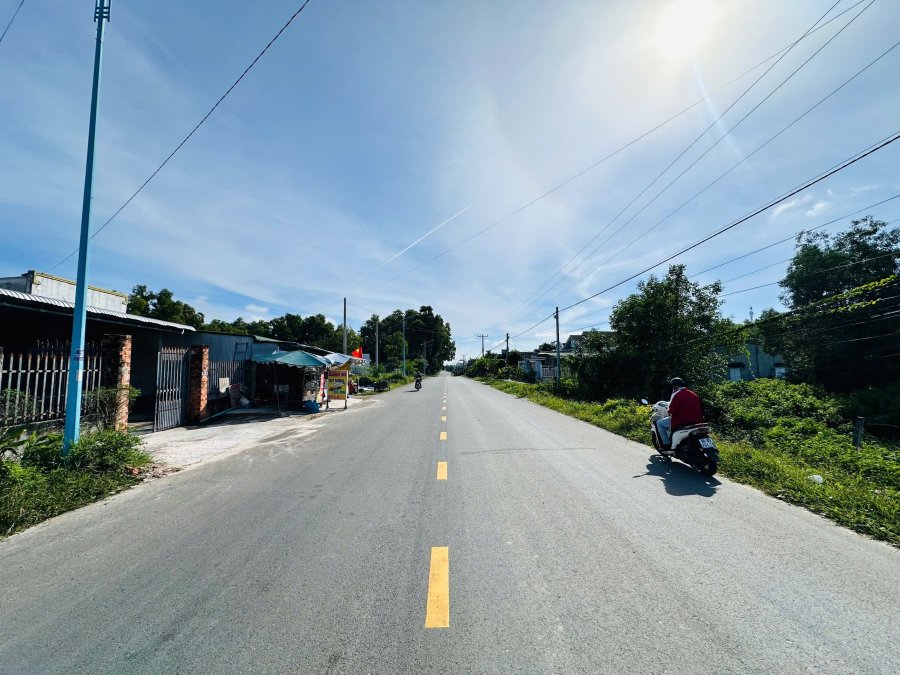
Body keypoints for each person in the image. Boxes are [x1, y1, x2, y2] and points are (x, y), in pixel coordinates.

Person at [656, 377, 704, 451]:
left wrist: (668, 410)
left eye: (673, 387)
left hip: (681, 421)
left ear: (675, 386)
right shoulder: (694, 394)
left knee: (659, 423)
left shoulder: (676, 394)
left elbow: (671, 411)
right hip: (696, 421)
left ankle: (666, 445)